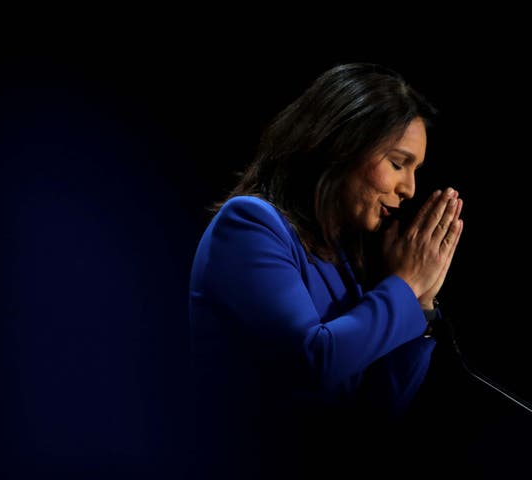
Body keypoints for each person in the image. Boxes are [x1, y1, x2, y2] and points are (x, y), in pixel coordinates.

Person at [187, 62, 464, 479]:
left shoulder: (345, 259)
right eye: (398, 162)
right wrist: (405, 286)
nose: (409, 188)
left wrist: (420, 301)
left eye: (415, 170)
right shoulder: (248, 224)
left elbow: (377, 413)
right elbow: (311, 362)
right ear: (342, 146)